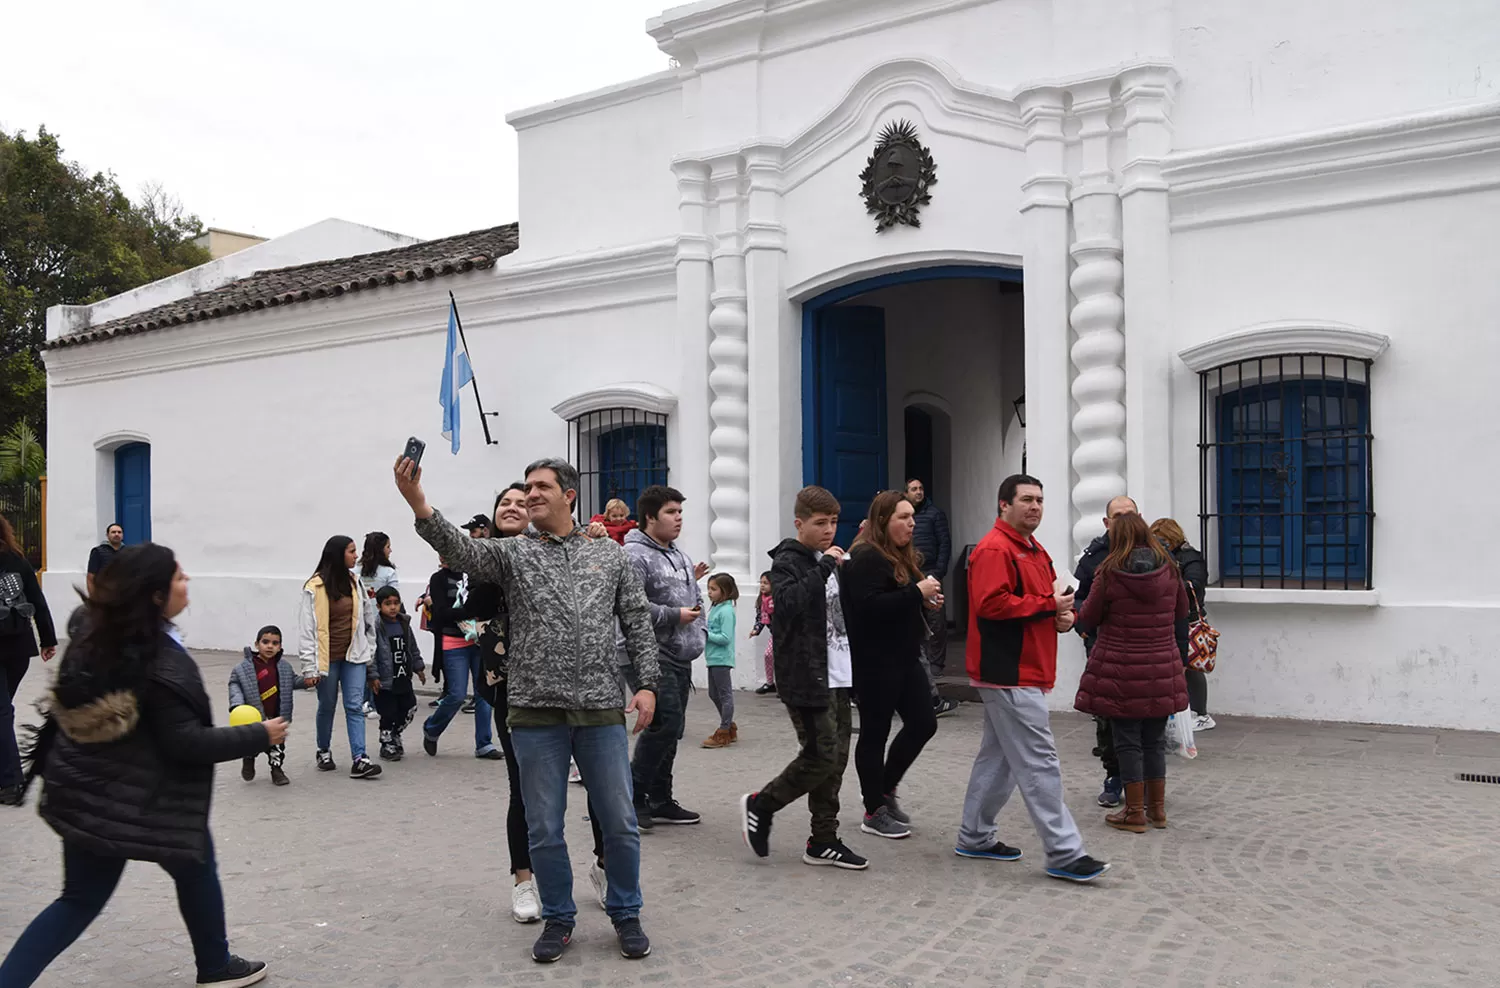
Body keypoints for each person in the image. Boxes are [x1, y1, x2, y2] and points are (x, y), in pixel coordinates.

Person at [395, 454, 660, 964]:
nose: (531, 495)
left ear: (570, 495)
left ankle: (626, 911)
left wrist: (647, 684)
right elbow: (460, 550)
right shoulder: (513, 554)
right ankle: (559, 917)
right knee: (543, 825)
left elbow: (636, 622)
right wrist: (419, 504)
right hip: (535, 710)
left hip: (602, 708)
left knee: (620, 819)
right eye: (527, 488)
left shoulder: (611, 555)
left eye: (541, 487)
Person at [1, 543, 285, 987]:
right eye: (178, 577)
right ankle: (214, 965)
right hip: (132, 800)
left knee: (88, 896)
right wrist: (260, 735)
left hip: (89, 792)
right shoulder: (157, 660)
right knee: (177, 869)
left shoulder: (98, 631)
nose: (186, 581)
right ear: (155, 594)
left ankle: (214, 963)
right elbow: (185, 742)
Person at [954, 475, 1110, 883]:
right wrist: (1047, 607)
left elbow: (1047, 602)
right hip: (1008, 671)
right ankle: (1064, 851)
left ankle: (974, 835)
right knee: (1039, 761)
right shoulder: (995, 548)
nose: (1035, 506)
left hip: (1023, 669)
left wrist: (1063, 615)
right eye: (1026, 500)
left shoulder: (1032, 549)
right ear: (1003, 505)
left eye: (1040, 499)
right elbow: (991, 604)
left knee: (1000, 759)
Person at [739, 485, 868, 871]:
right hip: (805, 676)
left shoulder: (825, 560)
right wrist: (825, 565)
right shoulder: (787, 562)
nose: (829, 530)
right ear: (799, 523)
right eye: (820, 523)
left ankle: (823, 840)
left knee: (836, 761)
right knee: (820, 757)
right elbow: (790, 605)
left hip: (837, 674)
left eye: (833, 522)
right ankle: (761, 804)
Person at [1074, 512, 1189, 833]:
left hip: (1121, 668)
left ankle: (1134, 812)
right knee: (1153, 740)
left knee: (1126, 740)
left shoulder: (1109, 573)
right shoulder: (1170, 571)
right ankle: (1158, 811)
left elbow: (1091, 616)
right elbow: (1182, 612)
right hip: (1162, 665)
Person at [842, 491, 942, 840]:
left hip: (904, 655)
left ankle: (884, 788)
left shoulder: (896, 554)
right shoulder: (866, 555)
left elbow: (898, 598)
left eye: (913, 516)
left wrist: (924, 599)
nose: (911, 523)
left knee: (923, 722)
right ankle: (874, 810)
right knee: (875, 733)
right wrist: (917, 593)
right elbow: (869, 607)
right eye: (903, 517)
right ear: (883, 521)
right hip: (875, 660)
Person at [466, 482, 543, 923]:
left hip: (563, 689)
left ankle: (603, 864)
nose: (512, 507)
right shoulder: (486, 561)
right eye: (504, 503)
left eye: (521, 502)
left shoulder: (553, 551)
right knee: (522, 789)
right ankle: (523, 881)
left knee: (596, 789)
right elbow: (470, 607)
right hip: (508, 692)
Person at [625, 484, 708, 829]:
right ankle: (632, 798)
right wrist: (675, 616)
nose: (678, 519)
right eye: (671, 512)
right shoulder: (633, 556)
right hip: (647, 652)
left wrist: (698, 628)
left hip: (680, 655)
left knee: (672, 729)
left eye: (680, 512)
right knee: (665, 722)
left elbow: (694, 596)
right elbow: (630, 607)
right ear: (649, 517)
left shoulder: (680, 555)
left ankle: (660, 799)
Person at [1073, 494, 1140, 809]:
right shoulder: (1093, 557)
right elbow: (1079, 599)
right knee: (1108, 716)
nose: (1126, 520)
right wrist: (1083, 627)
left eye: (1131, 514)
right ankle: (1114, 776)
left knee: (1146, 718)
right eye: (1119, 515)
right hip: (1105, 650)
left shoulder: (1158, 553)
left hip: (1146, 651)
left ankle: (1146, 785)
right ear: (1106, 522)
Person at [298, 536, 381, 779]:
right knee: (327, 705)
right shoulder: (314, 587)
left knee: (354, 705)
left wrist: (369, 652)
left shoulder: (355, 582)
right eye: (352, 551)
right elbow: (307, 629)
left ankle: (360, 758)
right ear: (337, 554)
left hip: (353, 656)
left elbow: (367, 620)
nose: (356, 556)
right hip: (327, 659)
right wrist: (309, 668)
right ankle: (323, 750)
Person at [419, 555, 501, 759]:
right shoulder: (438, 579)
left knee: (484, 693)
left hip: (479, 640)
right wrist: (467, 612)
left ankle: (484, 744)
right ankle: (432, 728)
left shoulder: (475, 575)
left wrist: (472, 612)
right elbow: (440, 612)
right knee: (456, 694)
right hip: (453, 641)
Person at [1, 512, 56, 806]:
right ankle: (6, 777)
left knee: (1, 712)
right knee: (1, 711)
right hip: (20, 648)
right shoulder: (19, 561)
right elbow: (38, 601)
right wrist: (47, 639)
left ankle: (10, 782)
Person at [1151, 518, 1213, 732]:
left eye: (1163, 539)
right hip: (1170, 618)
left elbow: (1194, 584)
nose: (1160, 543)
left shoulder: (1190, 558)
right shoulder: (1161, 557)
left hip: (1189, 619)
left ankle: (1201, 713)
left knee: (1192, 666)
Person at [906, 479, 957, 717]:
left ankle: (936, 663)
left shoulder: (935, 514)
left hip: (931, 571)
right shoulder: (904, 514)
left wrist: (938, 572)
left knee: (936, 617)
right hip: (910, 573)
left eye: (921, 488)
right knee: (915, 619)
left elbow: (944, 543)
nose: (918, 492)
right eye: (914, 489)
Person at [228, 625, 302, 786]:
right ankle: (248, 759)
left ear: (280, 647)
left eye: (275, 643)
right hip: (254, 714)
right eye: (265, 642)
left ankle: (276, 769)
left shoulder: (284, 666)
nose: (270, 646)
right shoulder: (243, 668)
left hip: (276, 714)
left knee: (277, 745)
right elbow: (235, 685)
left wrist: (307, 681)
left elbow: (293, 681)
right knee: (252, 742)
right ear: (256, 644)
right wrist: (237, 705)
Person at [372, 587, 427, 760]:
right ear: (379, 605)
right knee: (388, 713)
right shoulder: (376, 627)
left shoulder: (403, 623)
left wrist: (418, 667)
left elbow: (412, 647)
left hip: (403, 677)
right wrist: (373, 676)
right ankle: (387, 743)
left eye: (396, 603)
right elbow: (371, 654)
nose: (393, 607)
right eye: (388, 604)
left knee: (410, 707)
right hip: (386, 680)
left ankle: (395, 733)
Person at [701, 573, 739, 749]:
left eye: (713, 589)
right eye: (709, 588)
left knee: (724, 695)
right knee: (713, 694)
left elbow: (725, 637)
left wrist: (706, 633)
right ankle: (729, 725)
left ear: (725, 591)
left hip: (721, 658)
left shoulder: (727, 611)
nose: (709, 592)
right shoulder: (716, 608)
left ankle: (724, 731)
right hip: (713, 657)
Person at [749, 571, 776, 695]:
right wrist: (756, 629)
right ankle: (770, 683)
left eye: (766, 583)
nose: (762, 586)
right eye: (761, 583)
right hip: (775, 634)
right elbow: (760, 618)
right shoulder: (762, 601)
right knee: (768, 655)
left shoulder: (777, 599)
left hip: (784, 633)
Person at [84, 523, 124, 596]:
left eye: (119, 532)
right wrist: (93, 597)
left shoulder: (127, 552)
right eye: (113, 532)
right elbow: (90, 577)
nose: (117, 534)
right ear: (107, 535)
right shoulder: (98, 552)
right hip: (104, 594)